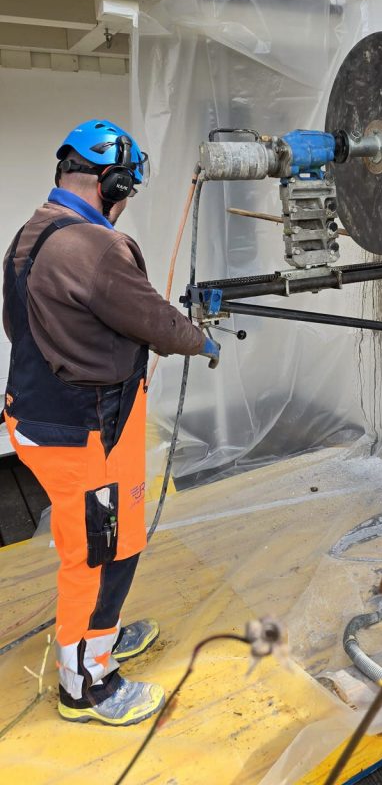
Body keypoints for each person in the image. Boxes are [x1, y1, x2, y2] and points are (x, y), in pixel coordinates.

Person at [2, 119, 219, 726]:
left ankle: (102, 634)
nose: (127, 203)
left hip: (53, 418)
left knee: (111, 539)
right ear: (112, 181)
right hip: (84, 430)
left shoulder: (32, 232)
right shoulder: (95, 246)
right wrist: (202, 341)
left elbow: (19, 326)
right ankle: (86, 684)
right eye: (128, 189)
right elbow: (157, 320)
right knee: (99, 554)